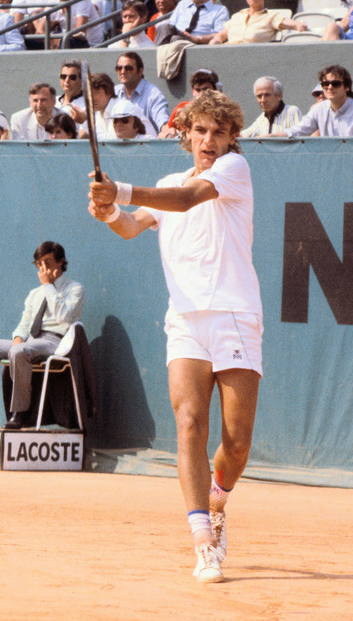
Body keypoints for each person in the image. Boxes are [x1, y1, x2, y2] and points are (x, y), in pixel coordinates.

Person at [87, 91, 263, 585]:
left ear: (231, 138)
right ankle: (203, 539)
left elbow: (184, 201)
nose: (209, 141)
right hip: (185, 318)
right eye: (200, 131)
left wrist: (118, 188)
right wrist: (109, 213)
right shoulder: (164, 183)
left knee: (237, 441)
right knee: (189, 423)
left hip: (235, 314)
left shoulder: (232, 171)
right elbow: (132, 225)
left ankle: (219, 499)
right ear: (185, 135)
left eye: (218, 132)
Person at [0, 241, 84, 430]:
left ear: (60, 262)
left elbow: (64, 317)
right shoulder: (34, 293)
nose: (43, 268)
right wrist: (17, 338)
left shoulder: (74, 289)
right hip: (30, 341)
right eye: (39, 264)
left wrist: (48, 286)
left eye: (47, 262)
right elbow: (25, 323)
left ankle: (19, 413)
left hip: (54, 341)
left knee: (19, 353)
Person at [279, 64, 353, 137]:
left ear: (347, 87)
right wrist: (270, 137)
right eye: (325, 84)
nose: (330, 87)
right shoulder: (320, 109)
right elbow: (296, 131)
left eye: (336, 84)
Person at [210, 0, 308, 44]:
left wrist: (298, 25)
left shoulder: (271, 17)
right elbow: (220, 36)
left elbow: (295, 25)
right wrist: (216, 41)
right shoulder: (236, 16)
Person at [114, 51, 170, 135]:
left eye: (128, 68)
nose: (123, 71)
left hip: (147, 146)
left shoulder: (153, 94)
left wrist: (166, 131)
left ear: (140, 71)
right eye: (119, 68)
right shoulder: (114, 92)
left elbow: (163, 122)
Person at [159, 68, 219, 138]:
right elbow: (160, 136)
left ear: (216, 89)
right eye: (198, 90)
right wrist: (170, 132)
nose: (202, 94)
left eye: (206, 89)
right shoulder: (182, 108)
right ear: (193, 90)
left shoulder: (224, 111)